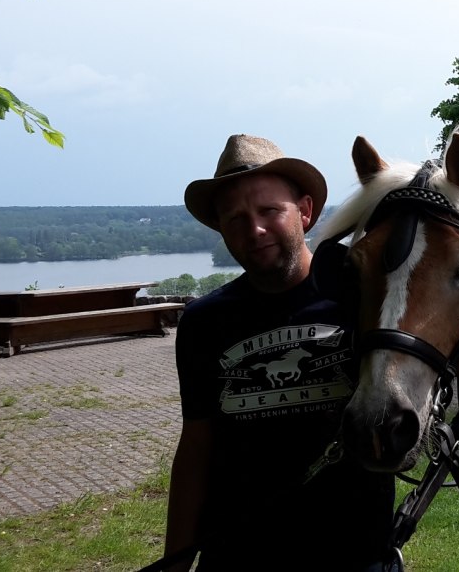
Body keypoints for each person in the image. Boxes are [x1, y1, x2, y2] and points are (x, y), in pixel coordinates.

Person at [163, 134, 394, 571]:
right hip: (238, 556)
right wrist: (175, 561)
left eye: (270, 210)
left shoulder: (361, 297)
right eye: (235, 219)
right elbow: (196, 445)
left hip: (354, 553)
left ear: (305, 211)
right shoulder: (203, 323)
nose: (255, 230)